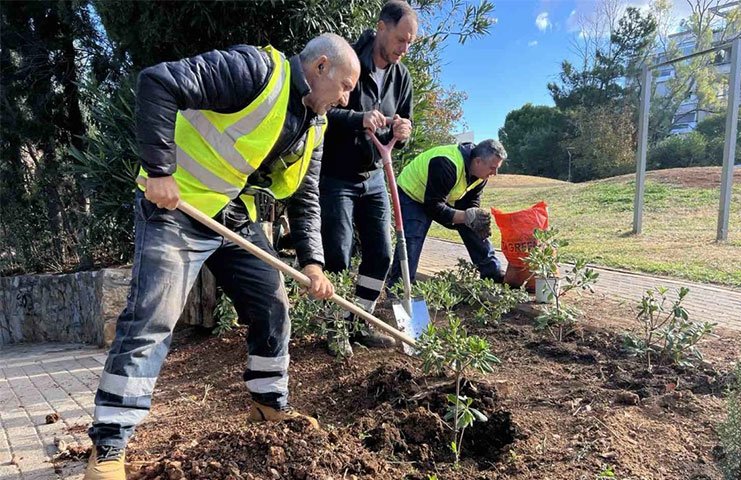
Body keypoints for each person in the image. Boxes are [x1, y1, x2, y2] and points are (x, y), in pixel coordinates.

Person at [84, 34, 360, 480]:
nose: (347, 98)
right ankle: (110, 444)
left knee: (272, 305)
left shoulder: (316, 123)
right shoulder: (256, 72)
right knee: (152, 318)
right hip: (178, 206)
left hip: (232, 214)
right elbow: (158, 82)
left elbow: (307, 196)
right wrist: (159, 170)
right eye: (345, 86)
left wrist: (312, 261)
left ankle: (268, 404)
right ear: (321, 67)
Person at [319, 0, 417, 357]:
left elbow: (403, 122)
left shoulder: (402, 77)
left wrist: (404, 130)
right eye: (401, 40)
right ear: (382, 28)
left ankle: (359, 322)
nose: (404, 49)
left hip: (375, 173)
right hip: (336, 174)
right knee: (338, 254)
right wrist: (358, 118)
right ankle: (334, 329)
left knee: (381, 254)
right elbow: (323, 111)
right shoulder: (347, 59)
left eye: (409, 44)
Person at [386, 140, 507, 291]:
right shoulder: (446, 163)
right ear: (478, 161)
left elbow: (472, 200)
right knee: (412, 238)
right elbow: (433, 208)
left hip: (439, 195)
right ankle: (400, 289)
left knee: (475, 223)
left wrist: (472, 217)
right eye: (493, 168)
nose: (495, 173)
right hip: (413, 194)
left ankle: (492, 273)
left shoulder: (481, 175)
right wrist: (464, 217)